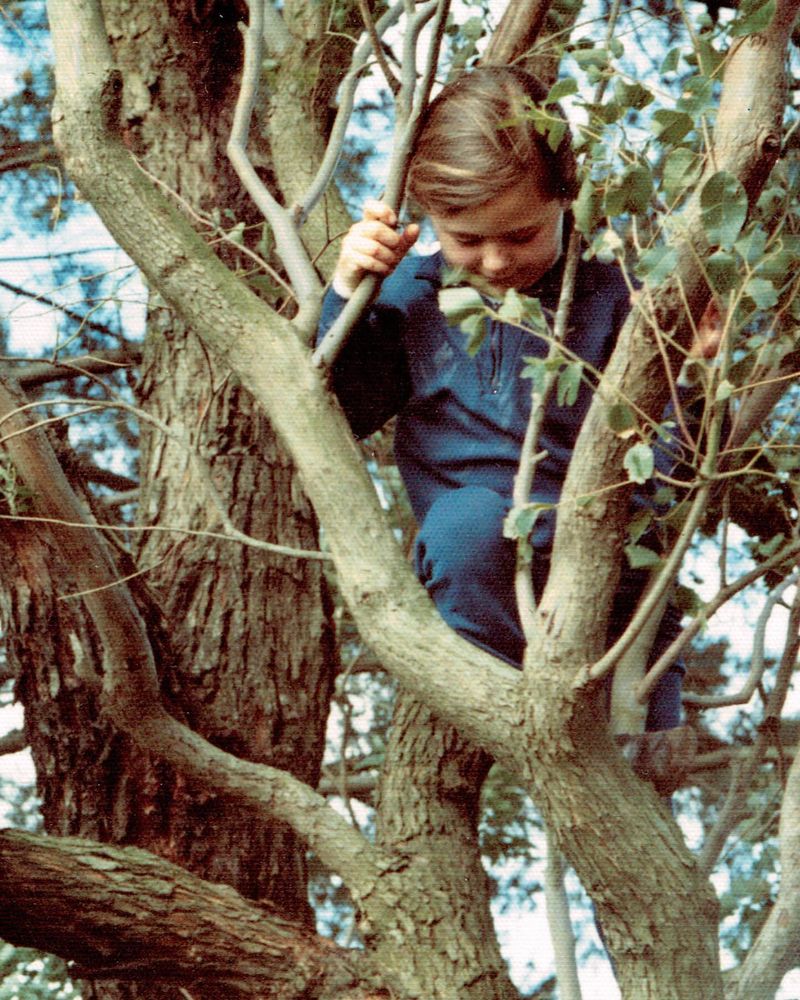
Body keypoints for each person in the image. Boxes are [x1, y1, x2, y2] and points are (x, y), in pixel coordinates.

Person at [318, 66, 695, 790]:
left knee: (646, 758)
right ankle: (505, 728)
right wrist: (344, 294)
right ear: (425, 214)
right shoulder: (408, 294)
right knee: (469, 532)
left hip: (609, 555)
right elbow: (341, 405)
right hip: (481, 565)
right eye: (466, 239)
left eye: (522, 234)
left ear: (565, 197)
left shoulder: (622, 287)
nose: (496, 261)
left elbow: (675, 452)